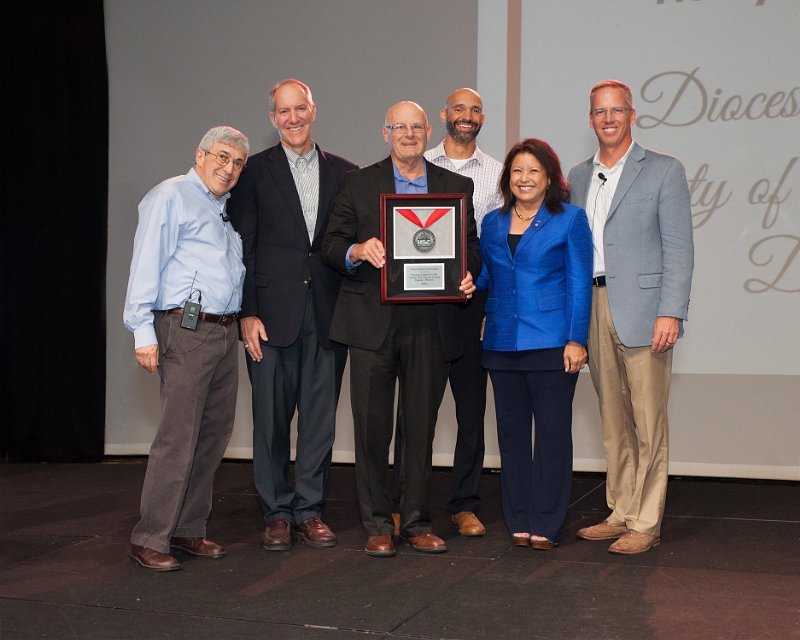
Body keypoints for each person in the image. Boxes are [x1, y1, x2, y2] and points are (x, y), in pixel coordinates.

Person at [321, 101, 481, 557]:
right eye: (399, 127)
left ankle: (414, 521)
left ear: (430, 131)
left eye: (416, 127)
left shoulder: (456, 185)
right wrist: (357, 249)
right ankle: (376, 524)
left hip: (431, 323)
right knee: (372, 430)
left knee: (419, 429)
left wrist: (468, 272)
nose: (408, 134)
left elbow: (470, 246)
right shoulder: (358, 182)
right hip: (371, 324)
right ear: (385, 132)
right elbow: (332, 245)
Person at [227, 79, 357, 552]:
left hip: (327, 315)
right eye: (283, 111)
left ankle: (308, 510)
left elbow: (347, 246)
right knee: (270, 422)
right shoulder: (253, 172)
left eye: (300, 108)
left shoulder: (346, 172)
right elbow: (242, 248)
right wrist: (247, 313)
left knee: (320, 423)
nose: (293, 118)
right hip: (269, 318)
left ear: (313, 109)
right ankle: (276, 513)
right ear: (272, 119)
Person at [568, 79, 694, 554]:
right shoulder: (578, 176)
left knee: (648, 419)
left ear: (632, 114)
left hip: (646, 310)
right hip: (594, 305)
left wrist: (671, 311)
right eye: (599, 112)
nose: (608, 119)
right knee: (612, 417)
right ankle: (620, 509)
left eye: (616, 110)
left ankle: (646, 521)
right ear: (590, 119)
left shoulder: (664, 170)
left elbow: (680, 249)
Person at [123, 125, 249, 571]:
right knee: (178, 438)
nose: (228, 168)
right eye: (221, 156)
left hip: (222, 332)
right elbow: (145, 264)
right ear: (199, 156)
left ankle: (187, 529)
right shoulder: (171, 196)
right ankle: (150, 537)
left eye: (237, 163)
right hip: (183, 330)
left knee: (213, 436)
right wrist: (142, 331)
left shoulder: (225, 209)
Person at [391, 88, 503, 537]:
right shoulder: (419, 163)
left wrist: (482, 294)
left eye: (475, 110)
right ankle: (404, 502)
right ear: (444, 116)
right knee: (416, 411)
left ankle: (464, 503)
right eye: (459, 108)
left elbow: (492, 246)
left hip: (472, 303)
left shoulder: (497, 174)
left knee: (471, 411)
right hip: (419, 305)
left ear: (482, 118)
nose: (467, 116)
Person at [476, 138, 592, 549]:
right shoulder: (492, 221)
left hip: (552, 343)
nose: (524, 179)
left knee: (553, 436)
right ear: (507, 177)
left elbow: (580, 284)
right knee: (510, 437)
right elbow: (490, 275)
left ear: (549, 179)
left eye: (533, 172)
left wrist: (577, 339)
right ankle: (519, 518)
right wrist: (471, 284)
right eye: (517, 171)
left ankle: (546, 520)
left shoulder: (570, 220)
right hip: (502, 343)